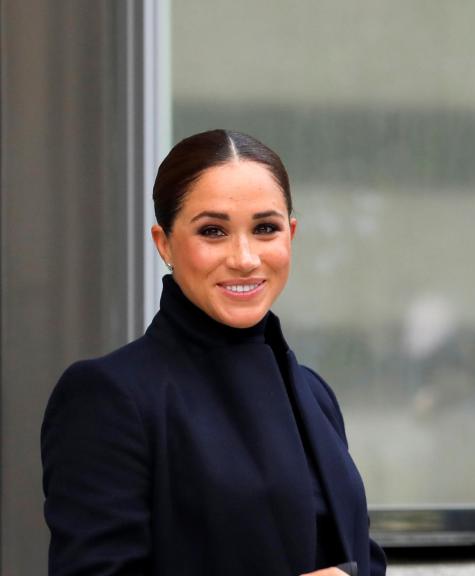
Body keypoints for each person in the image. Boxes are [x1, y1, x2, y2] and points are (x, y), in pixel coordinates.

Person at [41, 129, 385, 576]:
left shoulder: (314, 394)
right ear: (164, 243)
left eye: (265, 229)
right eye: (213, 231)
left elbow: (360, 556)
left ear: (291, 234)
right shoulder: (108, 396)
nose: (244, 258)